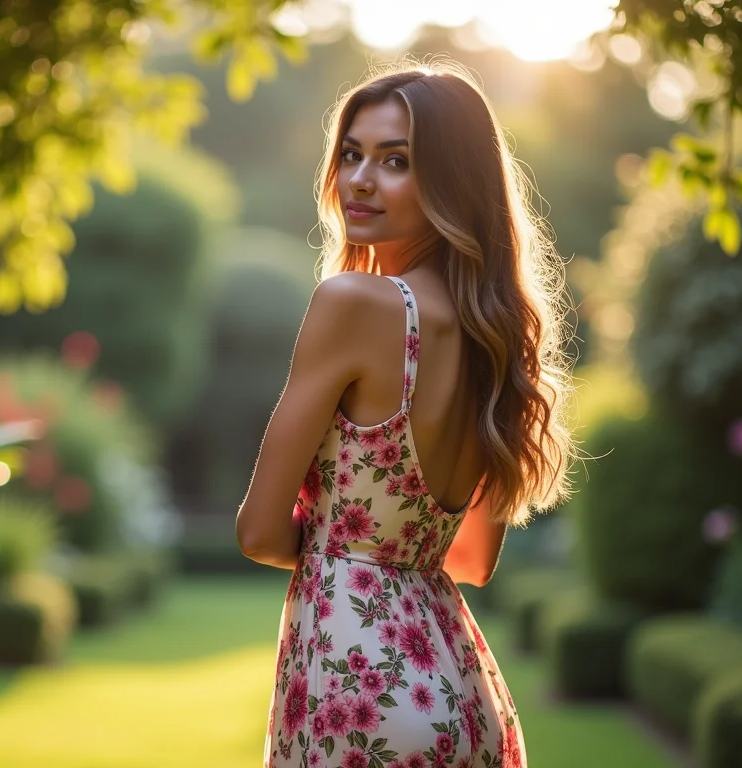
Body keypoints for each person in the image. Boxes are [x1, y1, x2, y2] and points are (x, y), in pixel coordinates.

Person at [234, 59, 577, 768]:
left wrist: (344, 551)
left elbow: (258, 531)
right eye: (352, 154)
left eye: (396, 161)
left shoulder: (353, 304)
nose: (360, 179)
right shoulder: (495, 339)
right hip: (459, 688)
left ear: (451, 183)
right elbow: (474, 559)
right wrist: (392, 548)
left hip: (358, 695)